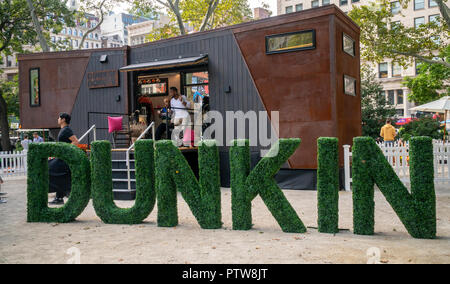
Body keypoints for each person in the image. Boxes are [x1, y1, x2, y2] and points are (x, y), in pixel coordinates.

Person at [48, 113, 79, 205]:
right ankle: (59, 197)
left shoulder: (66, 130)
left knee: (48, 168)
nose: (58, 119)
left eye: (59, 118)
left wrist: (65, 150)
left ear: (63, 119)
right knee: (59, 176)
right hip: (61, 158)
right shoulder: (63, 130)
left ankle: (60, 195)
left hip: (64, 159)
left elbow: (76, 142)